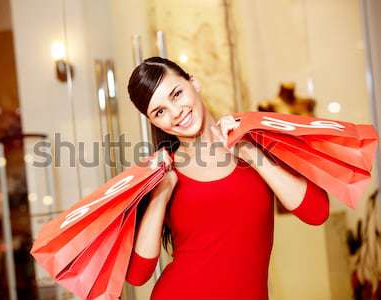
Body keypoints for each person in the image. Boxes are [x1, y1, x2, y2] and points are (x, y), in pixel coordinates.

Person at [125, 56, 329, 300]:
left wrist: (248, 151)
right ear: (153, 121)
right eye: (160, 112)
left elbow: (317, 211)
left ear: (194, 82)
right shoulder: (163, 173)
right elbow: (138, 275)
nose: (176, 112)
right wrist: (162, 192)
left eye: (176, 94)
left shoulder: (252, 142)